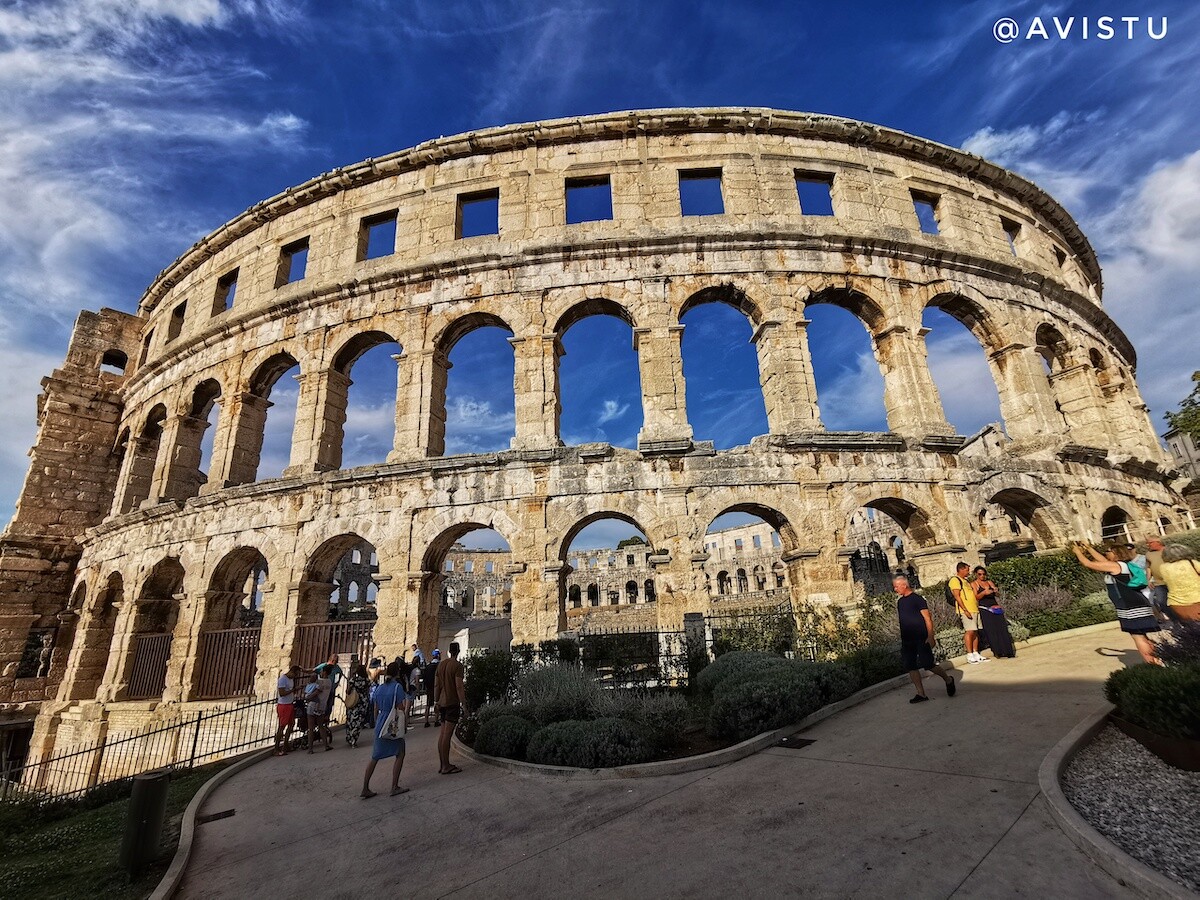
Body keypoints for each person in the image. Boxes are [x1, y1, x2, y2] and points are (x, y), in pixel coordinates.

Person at [1071, 541, 1161, 664]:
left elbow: (1088, 563)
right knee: (1142, 635)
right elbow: (1101, 560)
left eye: (1109, 552)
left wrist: (1077, 552)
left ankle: (1152, 662)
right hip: (1134, 601)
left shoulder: (1115, 566)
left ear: (1116, 554)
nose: (1106, 554)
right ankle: (1158, 658)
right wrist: (1088, 548)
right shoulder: (1122, 565)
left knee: (1137, 636)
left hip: (1129, 604)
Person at [894, 575, 955, 703]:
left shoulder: (918, 599)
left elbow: (927, 618)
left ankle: (948, 679)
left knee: (928, 664)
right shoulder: (900, 602)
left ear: (904, 585)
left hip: (921, 637)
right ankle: (921, 694)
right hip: (907, 640)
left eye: (896, 586)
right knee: (911, 666)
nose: (895, 589)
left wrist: (930, 636)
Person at [361, 661, 408, 798]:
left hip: (381, 722)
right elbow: (400, 707)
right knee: (400, 753)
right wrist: (404, 724)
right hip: (392, 723)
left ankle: (365, 787)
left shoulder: (380, 688)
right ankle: (394, 786)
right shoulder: (397, 687)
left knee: (375, 756)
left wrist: (376, 723)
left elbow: (375, 708)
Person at [434, 641, 466, 774]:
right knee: (447, 735)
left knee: (442, 735)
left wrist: (436, 701)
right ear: (458, 651)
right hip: (452, 702)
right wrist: (464, 703)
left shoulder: (441, 665)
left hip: (441, 701)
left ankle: (442, 764)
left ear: (448, 651)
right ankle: (446, 765)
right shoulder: (457, 666)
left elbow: (436, 685)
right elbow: (459, 686)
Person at [949, 562, 986, 663]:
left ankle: (975, 653)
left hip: (974, 608)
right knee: (969, 631)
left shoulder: (965, 580)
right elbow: (957, 596)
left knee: (975, 631)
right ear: (961, 569)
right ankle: (969, 654)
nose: (968, 572)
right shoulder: (955, 580)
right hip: (967, 610)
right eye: (966, 570)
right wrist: (965, 610)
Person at [1159, 542, 1200, 623]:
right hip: (1196, 600)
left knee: (1191, 627)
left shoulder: (1163, 567)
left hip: (1176, 603)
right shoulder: (1192, 563)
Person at [274, 665, 301, 756]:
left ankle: (286, 745)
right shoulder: (283, 679)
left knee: (291, 724)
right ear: (292, 672)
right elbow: (282, 693)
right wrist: (293, 690)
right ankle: (276, 748)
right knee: (282, 726)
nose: (295, 677)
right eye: (296, 674)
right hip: (283, 705)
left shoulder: (291, 680)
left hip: (290, 703)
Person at [344, 658, 372, 748]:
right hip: (363, 702)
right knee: (358, 722)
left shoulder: (353, 680)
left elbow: (347, 691)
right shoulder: (367, 681)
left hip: (353, 701)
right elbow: (368, 690)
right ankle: (354, 740)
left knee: (351, 721)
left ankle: (349, 737)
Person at [305, 669, 333, 752]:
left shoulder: (318, 682)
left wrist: (308, 697)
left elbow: (314, 691)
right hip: (322, 706)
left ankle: (310, 748)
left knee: (310, 728)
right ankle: (326, 745)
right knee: (321, 726)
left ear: (324, 672)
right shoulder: (329, 682)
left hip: (312, 705)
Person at [314, 653, 345, 721]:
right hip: (323, 689)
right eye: (333, 660)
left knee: (329, 704)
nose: (334, 662)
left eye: (336, 661)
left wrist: (336, 684)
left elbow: (340, 673)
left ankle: (326, 718)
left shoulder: (337, 668)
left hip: (331, 689)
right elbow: (314, 670)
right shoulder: (324, 666)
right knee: (322, 703)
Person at [1145, 538, 1169, 619]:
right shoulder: (1148, 554)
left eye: (1150, 543)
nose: (1148, 545)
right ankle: (1175, 619)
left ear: (1158, 542)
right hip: (1158, 583)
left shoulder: (1168, 550)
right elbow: (1148, 567)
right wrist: (1148, 580)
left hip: (1171, 580)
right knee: (1162, 602)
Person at [422, 650, 440, 727]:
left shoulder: (428, 666)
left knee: (428, 705)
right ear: (438, 655)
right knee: (437, 704)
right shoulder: (439, 666)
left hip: (429, 687)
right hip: (437, 687)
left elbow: (424, 678)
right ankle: (436, 720)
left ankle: (426, 721)